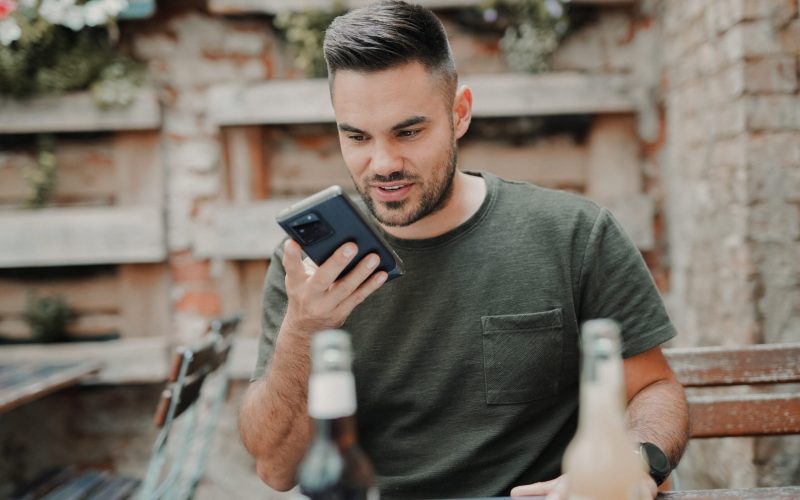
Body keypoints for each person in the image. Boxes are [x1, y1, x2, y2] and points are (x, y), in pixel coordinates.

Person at [239, 1, 689, 499]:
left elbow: (654, 389)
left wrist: (631, 465)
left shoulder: (574, 235)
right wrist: (304, 330)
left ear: (459, 113)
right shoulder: (308, 270)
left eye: (408, 132)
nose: (383, 163)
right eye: (357, 136)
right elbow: (277, 470)